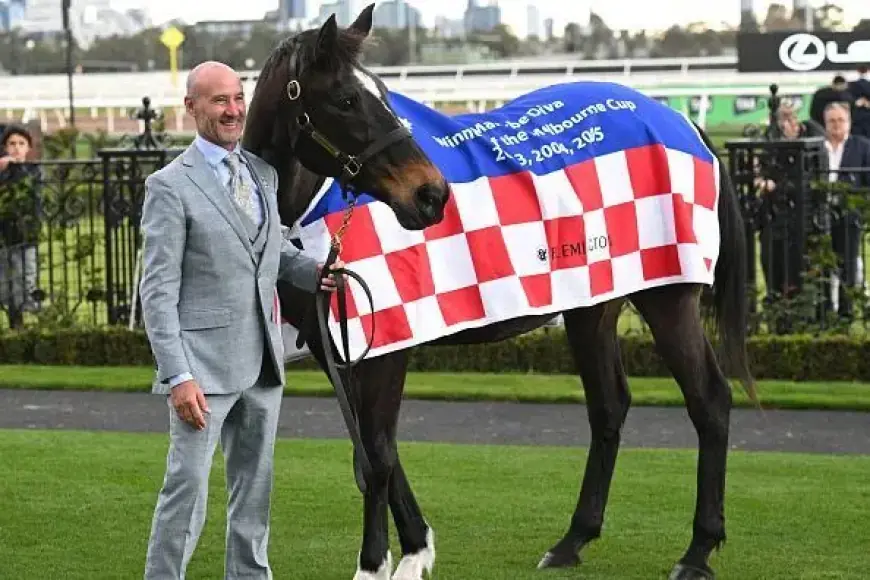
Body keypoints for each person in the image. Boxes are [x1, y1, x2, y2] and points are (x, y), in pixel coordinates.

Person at [140, 61, 343, 580]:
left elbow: (270, 248)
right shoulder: (168, 186)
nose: (232, 110)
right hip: (201, 372)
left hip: (264, 363)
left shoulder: (262, 173)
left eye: (236, 99)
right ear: (191, 108)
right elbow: (157, 292)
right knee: (186, 494)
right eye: (218, 101)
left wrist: (315, 271)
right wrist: (177, 376)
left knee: (254, 494)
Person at [821, 102, 870, 319]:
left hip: (849, 215)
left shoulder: (862, 146)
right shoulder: (818, 146)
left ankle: (846, 313)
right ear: (825, 123)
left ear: (849, 122)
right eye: (832, 120)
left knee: (848, 263)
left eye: (841, 120)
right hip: (819, 215)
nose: (836, 125)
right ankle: (823, 311)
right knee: (820, 263)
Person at [0, 124, 41, 329]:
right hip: (4, 235)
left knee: (26, 280)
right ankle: (13, 321)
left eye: (21, 143)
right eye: (12, 144)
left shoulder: (33, 171)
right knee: (6, 283)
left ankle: (24, 321)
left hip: (27, 235)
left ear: (28, 148)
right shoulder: (2, 171)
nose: (16, 148)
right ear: (5, 147)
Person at [848, 65, 870, 138]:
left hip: (856, 118)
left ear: (858, 71)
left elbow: (847, 100)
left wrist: (857, 102)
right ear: (868, 71)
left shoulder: (851, 85)